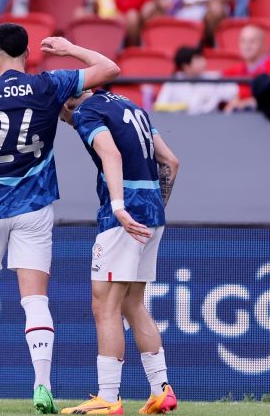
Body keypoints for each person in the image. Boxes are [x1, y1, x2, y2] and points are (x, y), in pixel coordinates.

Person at [0, 23, 120, 413]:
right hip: (35, 207)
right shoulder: (48, 85)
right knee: (34, 299)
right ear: (27, 53)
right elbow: (109, 69)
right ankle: (42, 386)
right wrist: (69, 48)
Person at [57, 89, 180, 416]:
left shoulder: (86, 113)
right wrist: (151, 210)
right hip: (152, 214)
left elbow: (111, 155)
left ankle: (108, 397)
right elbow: (170, 161)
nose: (67, 121)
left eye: (62, 114)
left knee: (104, 305)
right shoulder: (132, 107)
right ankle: (161, 390)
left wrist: (120, 208)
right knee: (133, 303)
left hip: (123, 218)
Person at [222, 24, 270, 113]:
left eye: (252, 42)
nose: (247, 46)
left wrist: (243, 100)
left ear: (263, 43)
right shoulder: (236, 69)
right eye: (243, 41)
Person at [154, 46, 238, 114]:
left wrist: (230, 106)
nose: (204, 62)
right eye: (198, 59)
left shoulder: (213, 78)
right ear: (185, 66)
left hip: (210, 125)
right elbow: (160, 108)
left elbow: (234, 93)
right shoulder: (173, 83)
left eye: (203, 58)